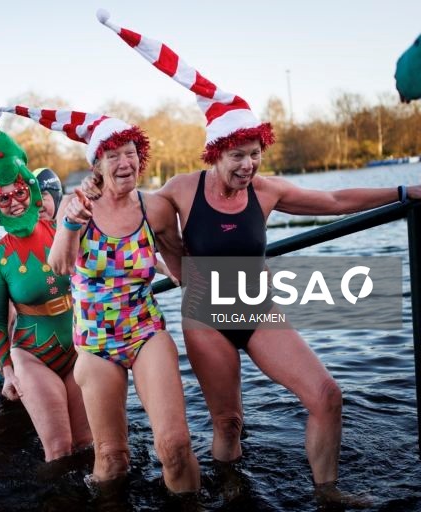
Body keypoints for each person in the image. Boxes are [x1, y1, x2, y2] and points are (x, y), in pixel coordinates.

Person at [91, 11, 421, 503]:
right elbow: (134, 214)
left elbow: (333, 202)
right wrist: (89, 204)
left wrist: (402, 189)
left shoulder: (265, 191)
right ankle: (233, 495)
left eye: (254, 153)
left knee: (327, 395)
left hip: (255, 306)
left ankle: (328, 493)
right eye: (237, 156)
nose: (248, 165)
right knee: (227, 423)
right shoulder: (182, 191)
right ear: (215, 154)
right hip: (206, 315)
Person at [0, 99, 201, 492]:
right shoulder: (76, 208)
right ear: (98, 166)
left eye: (131, 153)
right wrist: (71, 221)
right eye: (113, 155)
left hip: (145, 333)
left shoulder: (155, 210)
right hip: (95, 343)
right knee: (111, 458)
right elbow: (57, 265)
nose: (125, 162)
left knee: (174, 446)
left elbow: (182, 272)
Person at [0, 119, 91, 461]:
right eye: (2, 197)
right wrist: (7, 371)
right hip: (32, 355)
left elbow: (108, 264)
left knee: (87, 446)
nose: (13, 202)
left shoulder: (64, 230)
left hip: (78, 347)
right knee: (59, 450)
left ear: (32, 189)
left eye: (19, 192)